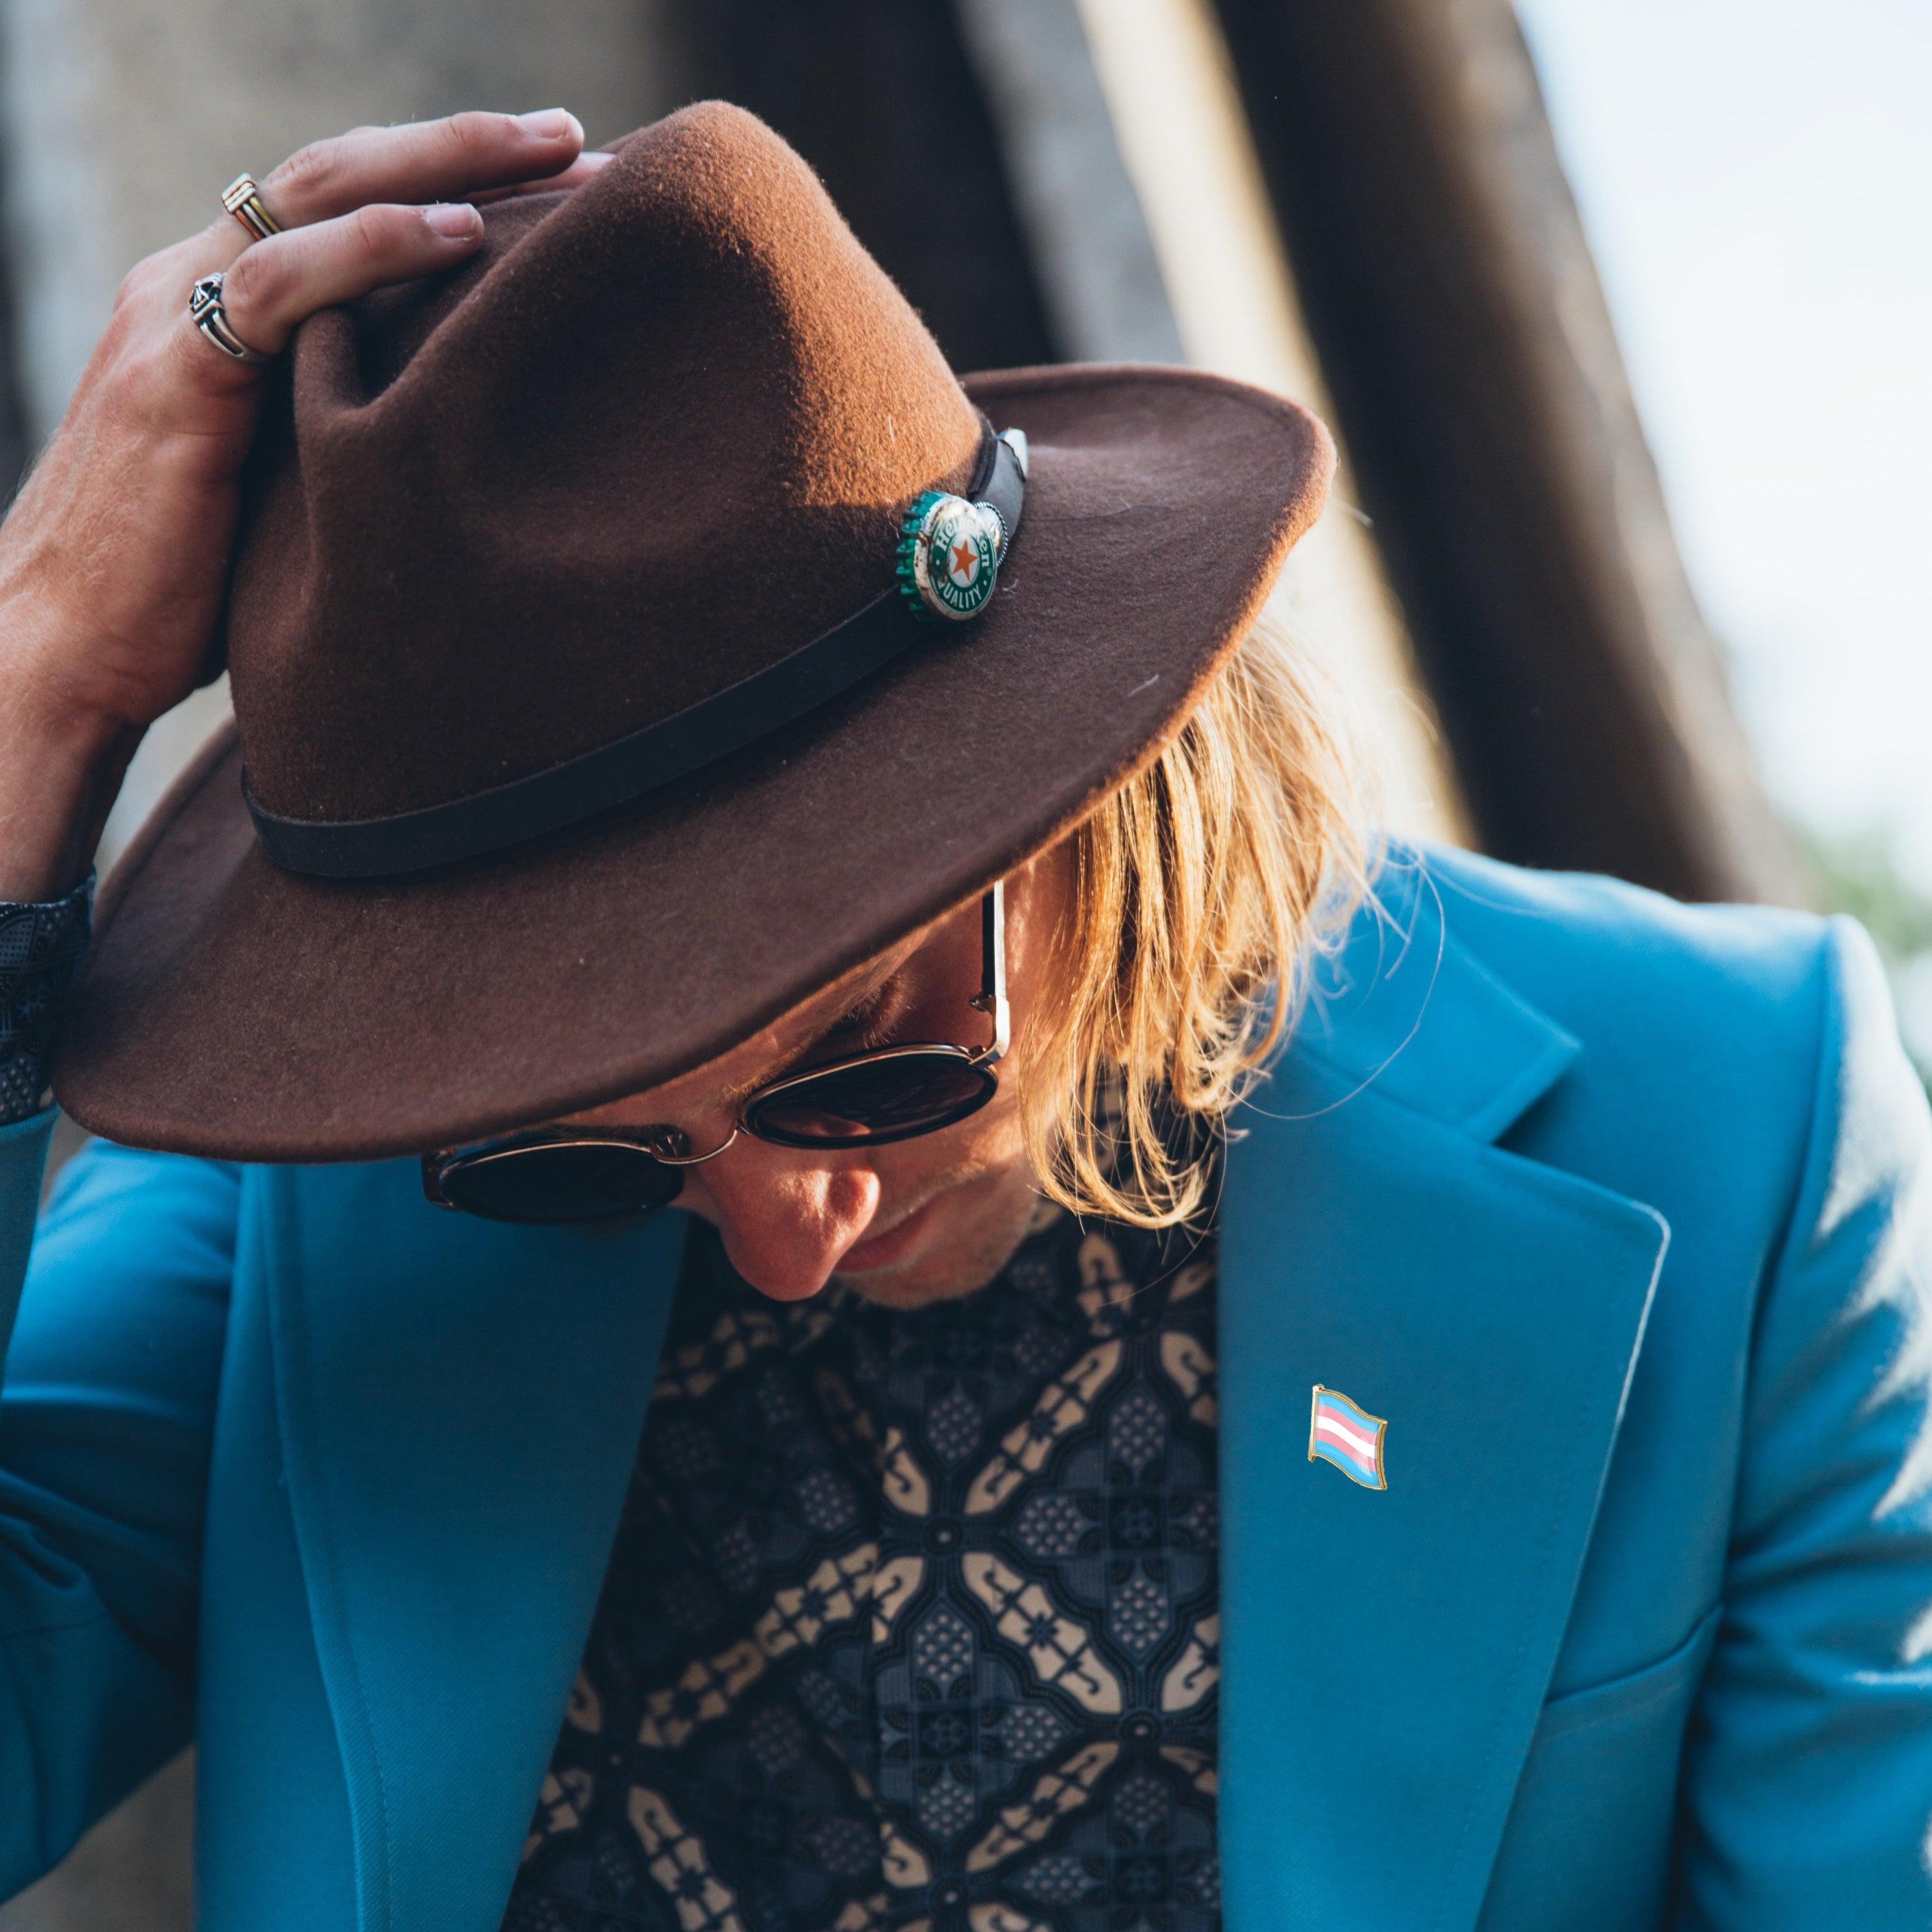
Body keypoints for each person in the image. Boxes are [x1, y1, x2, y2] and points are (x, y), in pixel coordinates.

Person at [0, 99, 1926, 1932]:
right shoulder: (319, 1186)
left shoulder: (1744, 1131)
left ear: (1078, 784)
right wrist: (34, 695)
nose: (782, 1241)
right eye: (590, 1152)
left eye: (866, 1054)